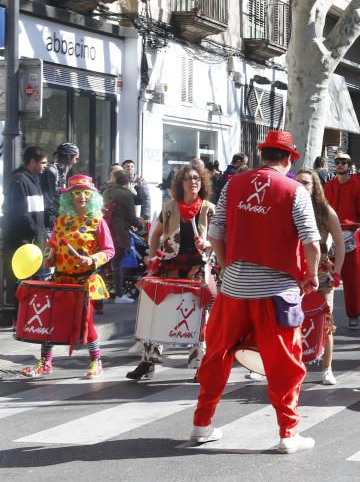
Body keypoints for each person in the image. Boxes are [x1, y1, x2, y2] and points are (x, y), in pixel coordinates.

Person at [191, 131, 321, 454]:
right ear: (290, 158)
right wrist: (311, 276)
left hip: (233, 289)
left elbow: (216, 234)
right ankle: (288, 433)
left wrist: (226, 266)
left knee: (217, 355)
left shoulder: (233, 185)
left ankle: (201, 424)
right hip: (276, 291)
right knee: (284, 364)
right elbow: (312, 242)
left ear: (262, 154)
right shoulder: (294, 190)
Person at [128, 163, 216, 380]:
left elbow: (219, 238)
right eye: (188, 178)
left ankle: (199, 365)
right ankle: (148, 362)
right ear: (181, 183)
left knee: (198, 316)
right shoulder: (169, 208)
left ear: (202, 182)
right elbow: (156, 234)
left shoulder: (208, 208)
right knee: (158, 313)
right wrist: (151, 254)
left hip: (197, 267)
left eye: (196, 178)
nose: (193, 181)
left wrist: (208, 244)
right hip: (170, 265)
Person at [21, 176, 115, 378]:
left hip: (84, 282)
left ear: (92, 197)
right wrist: (49, 256)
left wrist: (91, 260)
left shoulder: (97, 221)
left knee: (86, 323)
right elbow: (51, 245)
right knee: (50, 321)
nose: (81, 197)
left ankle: (96, 360)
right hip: (61, 280)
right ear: (69, 197)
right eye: (76, 193)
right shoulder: (62, 221)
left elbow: (109, 250)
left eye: (85, 193)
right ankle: (45, 362)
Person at [295, 169, 345, 386]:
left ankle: (327, 368)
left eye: (306, 183)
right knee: (290, 321)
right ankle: (291, 366)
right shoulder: (288, 207)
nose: (301, 186)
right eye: (298, 182)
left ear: (314, 186)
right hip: (294, 273)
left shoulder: (326, 211)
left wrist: (337, 272)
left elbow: (340, 243)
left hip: (322, 273)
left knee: (326, 322)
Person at [323, 152, 360, 329]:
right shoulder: (328, 185)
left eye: (344, 162)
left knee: (352, 279)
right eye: (337, 162)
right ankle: (324, 314)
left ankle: (353, 315)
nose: (340, 165)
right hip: (329, 236)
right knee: (324, 276)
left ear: (349, 165)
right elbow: (324, 206)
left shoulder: (358, 187)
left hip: (350, 234)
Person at [2, 146, 48, 317]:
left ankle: (26, 317)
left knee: (32, 283)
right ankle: (19, 318)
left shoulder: (33, 180)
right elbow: (21, 214)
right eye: (42, 163)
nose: (44, 166)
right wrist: (37, 233)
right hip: (24, 243)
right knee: (23, 283)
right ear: (32, 162)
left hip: (34, 242)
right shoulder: (20, 181)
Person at [102, 167, 146, 304]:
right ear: (126, 182)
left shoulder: (106, 192)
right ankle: (119, 295)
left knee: (103, 263)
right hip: (118, 232)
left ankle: (99, 293)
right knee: (117, 264)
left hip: (104, 231)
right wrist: (142, 226)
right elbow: (132, 218)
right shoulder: (126, 194)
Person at [40, 142, 80, 230]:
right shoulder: (51, 171)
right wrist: (51, 218)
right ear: (69, 156)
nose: (75, 162)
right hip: (50, 220)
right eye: (76, 158)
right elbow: (47, 198)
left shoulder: (61, 172)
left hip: (58, 217)